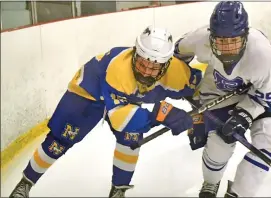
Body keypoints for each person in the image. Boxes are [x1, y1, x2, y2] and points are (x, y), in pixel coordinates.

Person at [9, 26, 203, 198]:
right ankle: (26, 182)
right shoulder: (118, 70)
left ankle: (118, 189)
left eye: (153, 68)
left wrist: (201, 119)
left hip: (124, 98)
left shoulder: (178, 73)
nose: (145, 72)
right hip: (89, 92)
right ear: (135, 54)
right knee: (60, 140)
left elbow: (201, 92)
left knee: (131, 139)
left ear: (166, 65)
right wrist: (163, 113)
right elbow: (121, 118)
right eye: (142, 63)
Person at [175, 1, 271, 197]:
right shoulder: (199, 38)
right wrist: (183, 82)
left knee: (270, 141)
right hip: (217, 94)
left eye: (234, 41)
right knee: (219, 145)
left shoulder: (264, 56)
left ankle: (238, 194)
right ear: (211, 36)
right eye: (221, 41)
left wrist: (244, 115)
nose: (227, 48)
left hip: (257, 95)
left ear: (245, 36)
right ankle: (211, 183)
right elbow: (176, 56)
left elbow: (263, 95)